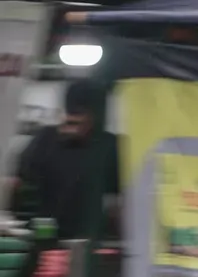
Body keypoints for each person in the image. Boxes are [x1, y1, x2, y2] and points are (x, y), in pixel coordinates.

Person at [7, 79, 118, 244]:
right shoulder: (45, 139)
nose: (74, 124)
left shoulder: (109, 146)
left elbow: (117, 199)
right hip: (43, 233)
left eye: (81, 118)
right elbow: (20, 182)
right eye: (72, 117)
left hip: (87, 238)